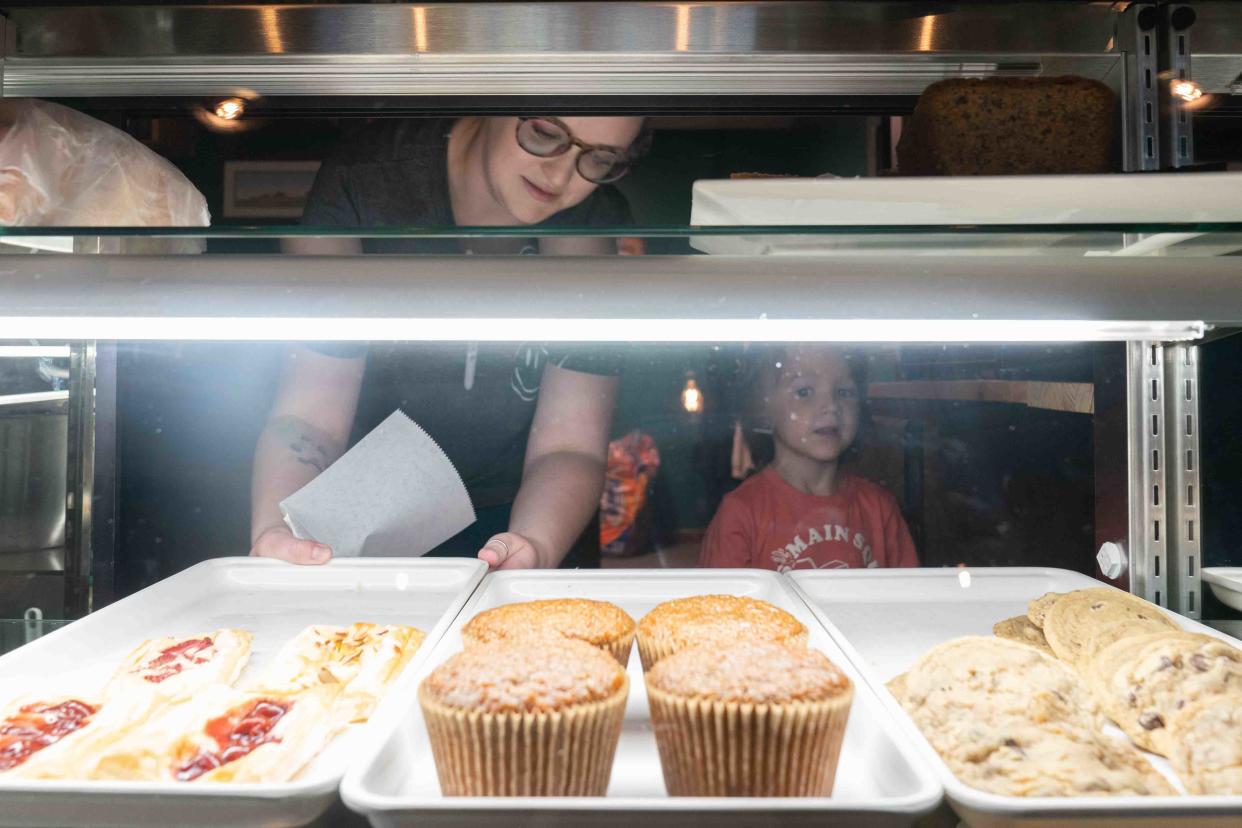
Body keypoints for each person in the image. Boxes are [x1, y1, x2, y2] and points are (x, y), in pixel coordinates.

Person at [250, 115, 647, 570]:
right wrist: (278, 530)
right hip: (361, 516)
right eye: (544, 135)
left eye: (598, 159)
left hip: (535, 510)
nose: (560, 176)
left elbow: (571, 443)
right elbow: (310, 417)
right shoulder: (365, 181)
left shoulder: (596, 219)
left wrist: (533, 547)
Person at [699, 344, 918, 571]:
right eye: (804, 392)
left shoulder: (879, 509)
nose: (831, 406)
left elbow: (910, 601)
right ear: (762, 409)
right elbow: (718, 604)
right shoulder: (741, 512)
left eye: (844, 392)